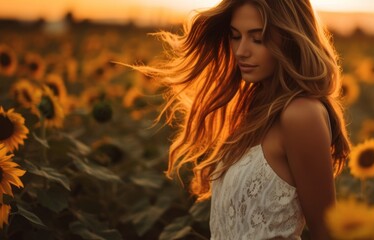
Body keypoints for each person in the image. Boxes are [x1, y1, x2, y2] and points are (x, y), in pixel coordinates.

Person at [136, 0, 351, 239]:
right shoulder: (253, 110)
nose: (241, 51)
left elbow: (327, 232)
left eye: (257, 39)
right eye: (235, 36)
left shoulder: (301, 114)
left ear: (291, 39)